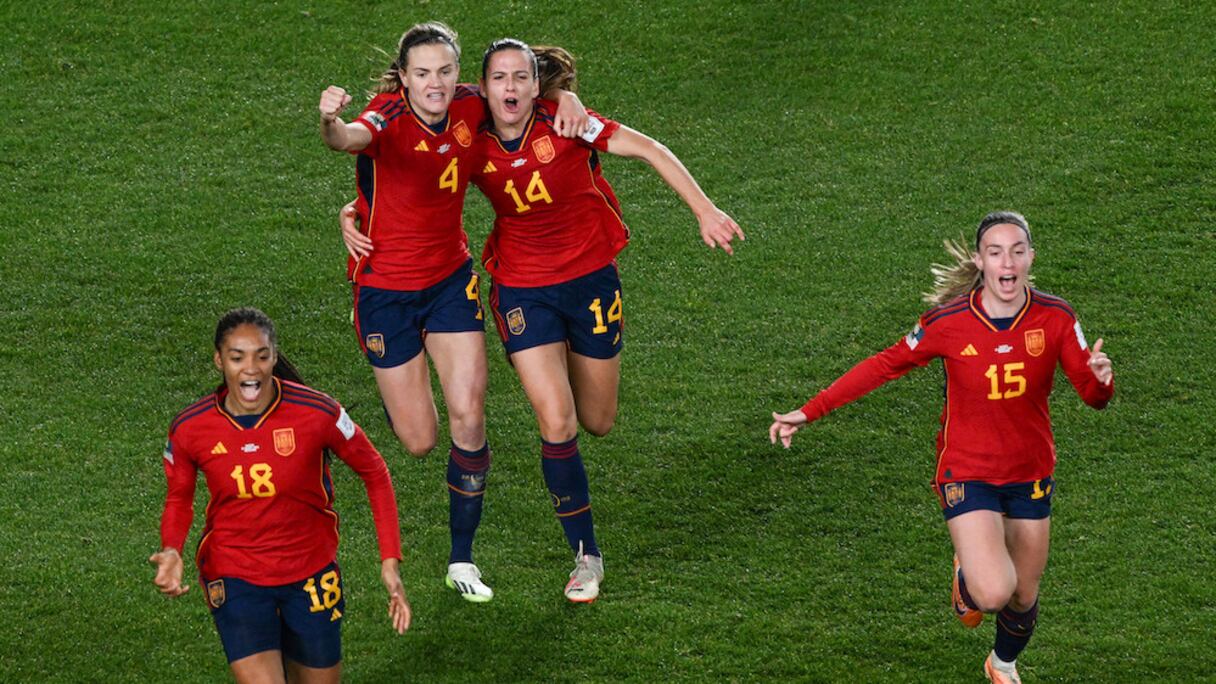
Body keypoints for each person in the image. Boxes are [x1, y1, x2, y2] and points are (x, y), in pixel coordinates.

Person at [769, 212, 1114, 683]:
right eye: (996, 252)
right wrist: (811, 411)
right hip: (966, 471)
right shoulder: (948, 323)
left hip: (1031, 472)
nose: (1007, 262)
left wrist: (1101, 381)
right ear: (980, 261)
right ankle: (968, 575)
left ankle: (1001, 664)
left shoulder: (1056, 317)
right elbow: (885, 365)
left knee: (1024, 594)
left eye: (1017, 251)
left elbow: (1093, 397)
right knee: (993, 593)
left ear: (1031, 258)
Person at [318, 22, 589, 603]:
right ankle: (398, 387)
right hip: (384, 291)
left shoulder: (470, 103)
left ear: (458, 73)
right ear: (403, 77)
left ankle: (461, 559)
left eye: (444, 70)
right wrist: (329, 122)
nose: (435, 83)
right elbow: (347, 140)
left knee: (469, 415)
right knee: (420, 439)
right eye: (422, 73)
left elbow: (520, 91)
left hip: (449, 281)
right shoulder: (386, 115)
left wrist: (565, 95)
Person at [470, 39, 745, 603]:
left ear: (536, 84)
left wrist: (705, 210)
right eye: (499, 78)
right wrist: (356, 208)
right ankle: (586, 557)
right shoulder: (466, 134)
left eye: (521, 77)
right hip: (522, 289)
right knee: (558, 420)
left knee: (597, 419)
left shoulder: (568, 122)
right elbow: (410, 168)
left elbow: (649, 149)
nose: (510, 88)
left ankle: (564, 384)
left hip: (591, 281)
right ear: (483, 87)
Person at [150, 308, 410, 684]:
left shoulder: (318, 413)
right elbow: (179, 497)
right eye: (237, 357)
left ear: (274, 357)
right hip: (234, 572)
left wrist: (390, 562)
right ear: (219, 361)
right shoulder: (191, 428)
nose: (250, 368)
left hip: (310, 572)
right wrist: (172, 549)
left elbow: (375, 472)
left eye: (261, 356)